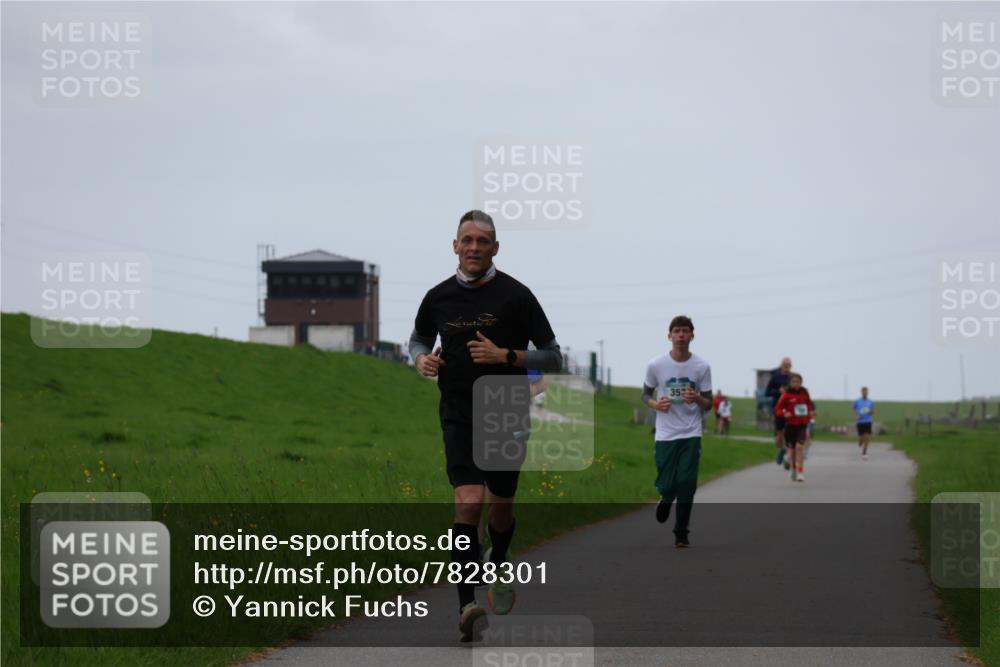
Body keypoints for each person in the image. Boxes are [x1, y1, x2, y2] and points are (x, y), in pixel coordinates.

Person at [409, 210, 562, 642]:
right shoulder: (437, 297)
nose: (474, 247)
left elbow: (553, 356)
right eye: (467, 240)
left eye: (483, 240)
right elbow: (419, 338)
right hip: (458, 411)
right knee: (468, 502)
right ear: (455, 246)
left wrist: (507, 358)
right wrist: (421, 358)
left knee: (501, 507)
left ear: (496, 247)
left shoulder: (517, 296)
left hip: (506, 412)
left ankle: (498, 561)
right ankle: (467, 604)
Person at [642, 315, 713, 548]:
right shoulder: (656, 364)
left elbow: (709, 404)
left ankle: (681, 532)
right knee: (668, 483)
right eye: (677, 331)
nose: (681, 335)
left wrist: (697, 398)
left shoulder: (701, 366)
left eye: (685, 331)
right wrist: (656, 405)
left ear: (692, 335)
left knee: (687, 482)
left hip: (691, 432)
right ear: (669, 336)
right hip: (665, 433)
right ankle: (666, 496)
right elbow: (645, 395)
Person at [774, 373, 815, 482]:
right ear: (790, 383)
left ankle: (800, 472)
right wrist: (784, 413)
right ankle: (793, 469)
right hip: (791, 426)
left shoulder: (805, 393)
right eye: (793, 382)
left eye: (798, 382)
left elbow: (809, 404)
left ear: (801, 383)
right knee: (792, 451)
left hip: (802, 424)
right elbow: (778, 409)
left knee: (799, 448)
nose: (796, 384)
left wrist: (810, 411)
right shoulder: (786, 395)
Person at [765, 358, 792, 466]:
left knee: (789, 431)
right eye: (785, 364)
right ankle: (781, 449)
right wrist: (778, 392)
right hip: (778, 407)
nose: (786, 366)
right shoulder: (775, 377)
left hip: (790, 408)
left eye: (788, 364)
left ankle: (787, 451)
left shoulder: (793, 377)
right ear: (781, 365)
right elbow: (767, 393)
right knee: (779, 434)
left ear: (791, 366)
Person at [853, 386, 875, 461]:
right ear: (861, 392)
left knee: (867, 436)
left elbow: (873, 411)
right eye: (864, 392)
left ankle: (864, 452)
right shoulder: (857, 401)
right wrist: (856, 415)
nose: (865, 393)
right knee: (861, 438)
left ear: (868, 393)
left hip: (868, 421)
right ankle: (860, 441)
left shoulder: (870, 402)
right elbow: (854, 409)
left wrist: (871, 412)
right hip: (860, 421)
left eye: (866, 392)